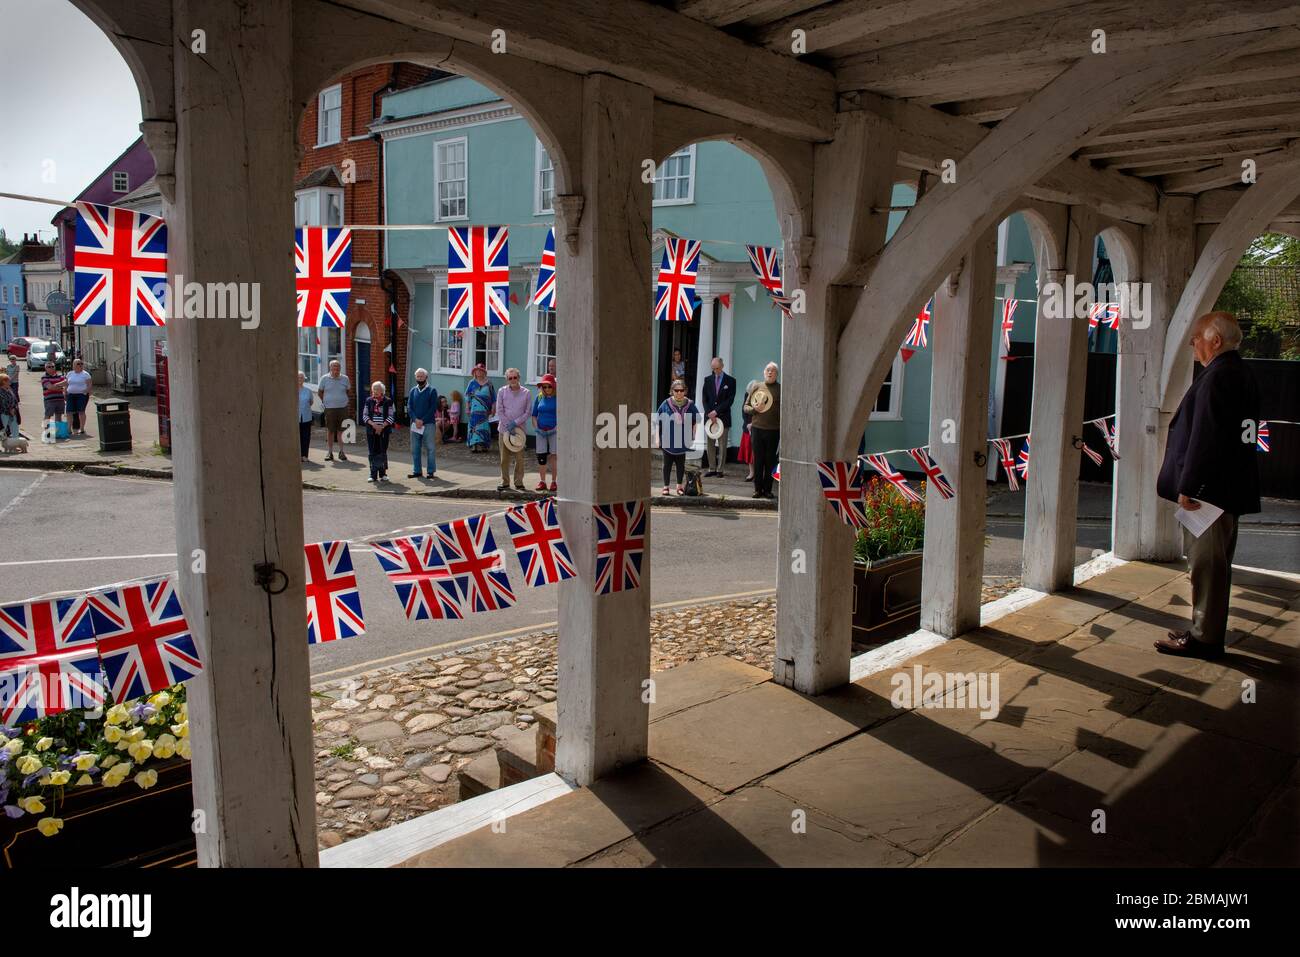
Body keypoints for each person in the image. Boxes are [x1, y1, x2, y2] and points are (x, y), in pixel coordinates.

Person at [1154, 311, 1261, 660]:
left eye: (1197, 336)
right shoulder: (1240, 373)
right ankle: (1204, 630)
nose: (1192, 342)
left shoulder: (1218, 377)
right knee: (1214, 565)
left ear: (1215, 340)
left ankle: (1205, 640)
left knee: (1207, 566)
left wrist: (1191, 485)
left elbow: (1207, 436)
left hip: (1210, 493)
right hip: (1228, 486)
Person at [655, 379, 700, 495]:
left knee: (680, 465)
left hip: (682, 440)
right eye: (676, 390)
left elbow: (697, 420)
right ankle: (666, 486)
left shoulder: (689, 404)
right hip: (667, 440)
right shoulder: (666, 404)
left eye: (681, 390)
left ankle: (679, 487)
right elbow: (657, 422)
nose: (679, 393)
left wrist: (693, 435)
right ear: (672, 391)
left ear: (685, 391)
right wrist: (657, 438)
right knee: (667, 465)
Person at [744, 362, 781, 499]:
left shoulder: (780, 389)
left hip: (773, 430)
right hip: (757, 429)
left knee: (770, 461)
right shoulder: (757, 386)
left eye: (772, 371)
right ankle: (757, 489)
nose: (770, 373)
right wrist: (755, 409)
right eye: (767, 370)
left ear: (776, 374)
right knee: (758, 460)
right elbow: (746, 407)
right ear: (764, 372)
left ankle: (768, 490)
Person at [700, 356, 736, 477]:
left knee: (722, 445)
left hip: (723, 417)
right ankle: (712, 468)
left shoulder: (731, 381)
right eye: (713, 368)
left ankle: (720, 470)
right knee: (710, 444)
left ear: (722, 366)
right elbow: (704, 399)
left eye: (717, 368)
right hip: (710, 418)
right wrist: (709, 413)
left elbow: (729, 400)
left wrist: (716, 412)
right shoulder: (707, 380)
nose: (715, 371)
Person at [496, 367, 531, 491]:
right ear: (507, 379)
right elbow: (499, 411)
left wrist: (515, 423)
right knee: (504, 458)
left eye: (515, 377)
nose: (513, 380)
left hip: (519, 431)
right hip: (504, 430)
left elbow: (527, 412)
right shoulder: (501, 391)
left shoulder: (526, 392)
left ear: (519, 378)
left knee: (519, 458)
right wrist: (507, 425)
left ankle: (519, 482)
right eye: (510, 378)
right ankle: (504, 481)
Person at [406, 367, 439, 480]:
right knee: (415, 448)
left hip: (428, 423)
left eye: (421, 376)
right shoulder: (413, 391)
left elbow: (433, 408)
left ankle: (430, 471)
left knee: (430, 448)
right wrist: (415, 420)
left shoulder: (432, 390)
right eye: (418, 376)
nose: (419, 378)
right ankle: (417, 471)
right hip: (415, 424)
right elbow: (409, 407)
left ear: (426, 377)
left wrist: (422, 420)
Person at [361, 381, 395, 483]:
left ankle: (383, 473)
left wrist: (382, 426)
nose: (375, 391)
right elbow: (365, 416)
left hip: (384, 430)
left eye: (377, 389)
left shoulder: (388, 401)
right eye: (374, 389)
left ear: (382, 391)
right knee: (372, 452)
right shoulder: (369, 400)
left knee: (382, 451)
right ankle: (373, 474)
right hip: (371, 430)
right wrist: (374, 425)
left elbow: (391, 416)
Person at [317, 359, 351, 462]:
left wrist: (342, 400)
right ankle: (330, 452)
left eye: (338, 368)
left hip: (342, 408)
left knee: (341, 430)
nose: (336, 370)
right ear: (330, 368)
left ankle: (341, 452)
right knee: (330, 430)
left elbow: (348, 391)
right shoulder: (324, 379)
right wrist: (326, 401)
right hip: (330, 408)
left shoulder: (345, 379)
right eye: (334, 367)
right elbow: (320, 392)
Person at [531, 373, 558, 492]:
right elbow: (534, 415)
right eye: (544, 386)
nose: (547, 389)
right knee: (541, 457)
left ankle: (554, 482)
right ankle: (542, 481)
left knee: (553, 456)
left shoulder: (558, 398)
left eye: (549, 386)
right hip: (541, 430)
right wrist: (537, 428)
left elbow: (563, 414)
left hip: (554, 430)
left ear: (554, 386)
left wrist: (556, 428)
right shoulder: (539, 397)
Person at [465, 365, 496, 453]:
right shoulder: (472, 383)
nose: (478, 372)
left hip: (485, 409)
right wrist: (467, 407)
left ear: (484, 372)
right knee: (474, 425)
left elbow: (493, 397)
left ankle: (483, 445)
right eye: (477, 371)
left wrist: (494, 408)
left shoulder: (489, 383)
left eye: (480, 370)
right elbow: (467, 395)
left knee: (483, 426)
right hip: (474, 408)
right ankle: (474, 445)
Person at [64, 358, 92, 435]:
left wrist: (85, 392)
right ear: (73, 365)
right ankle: (69, 429)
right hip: (71, 395)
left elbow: (89, 385)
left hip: (81, 395)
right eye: (78, 364)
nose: (80, 365)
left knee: (81, 411)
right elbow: (67, 384)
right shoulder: (70, 374)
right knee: (69, 411)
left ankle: (82, 428)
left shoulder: (85, 374)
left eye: (81, 364)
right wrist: (65, 392)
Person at [40, 360, 66, 436]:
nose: (51, 368)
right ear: (45, 368)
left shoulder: (60, 376)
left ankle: (58, 433)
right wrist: (61, 388)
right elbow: (50, 387)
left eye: (52, 366)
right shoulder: (44, 377)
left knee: (59, 416)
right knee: (48, 415)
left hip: (60, 399)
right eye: (49, 367)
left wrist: (55, 385)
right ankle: (47, 432)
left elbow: (66, 383)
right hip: (49, 400)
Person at [738, 379, 758, 482]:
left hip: (758, 427)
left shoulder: (761, 396)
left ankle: (758, 473)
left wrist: (753, 423)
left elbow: (761, 412)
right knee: (749, 451)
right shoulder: (747, 395)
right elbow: (744, 411)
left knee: (757, 452)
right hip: (747, 428)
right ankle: (751, 473)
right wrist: (747, 424)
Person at [296, 371, 314, 462]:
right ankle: (298, 455)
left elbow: (311, 402)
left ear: (304, 379)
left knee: (306, 437)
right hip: (295, 418)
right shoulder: (292, 390)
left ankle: (304, 455)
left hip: (306, 417)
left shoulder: (308, 391)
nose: (300, 379)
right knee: (297, 437)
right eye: (298, 377)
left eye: (301, 377)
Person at [0, 372, 19, 441]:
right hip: (3, 413)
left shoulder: (9, 390)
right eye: (8, 380)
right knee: (2, 430)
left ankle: (16, 444)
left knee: (15, 429)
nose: (9, 381)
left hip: (13, 413)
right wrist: (9, 410)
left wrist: (14, 408)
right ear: (3, 381)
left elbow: (15, 400)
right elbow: (2, 403)